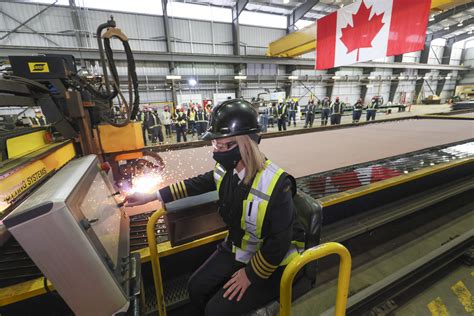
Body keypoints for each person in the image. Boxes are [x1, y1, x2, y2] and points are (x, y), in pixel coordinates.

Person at [125, 99, 305, 315]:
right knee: (195, 287)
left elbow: (279, 242)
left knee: (216, 310)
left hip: (271, 262)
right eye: (215, 144)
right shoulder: (226, 170)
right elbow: (197, 183)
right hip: (239, 248)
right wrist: (152, 196)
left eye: (222, 145)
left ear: (245, 144)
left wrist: (251, 274)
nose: (216, 151)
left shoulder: (277, 185)